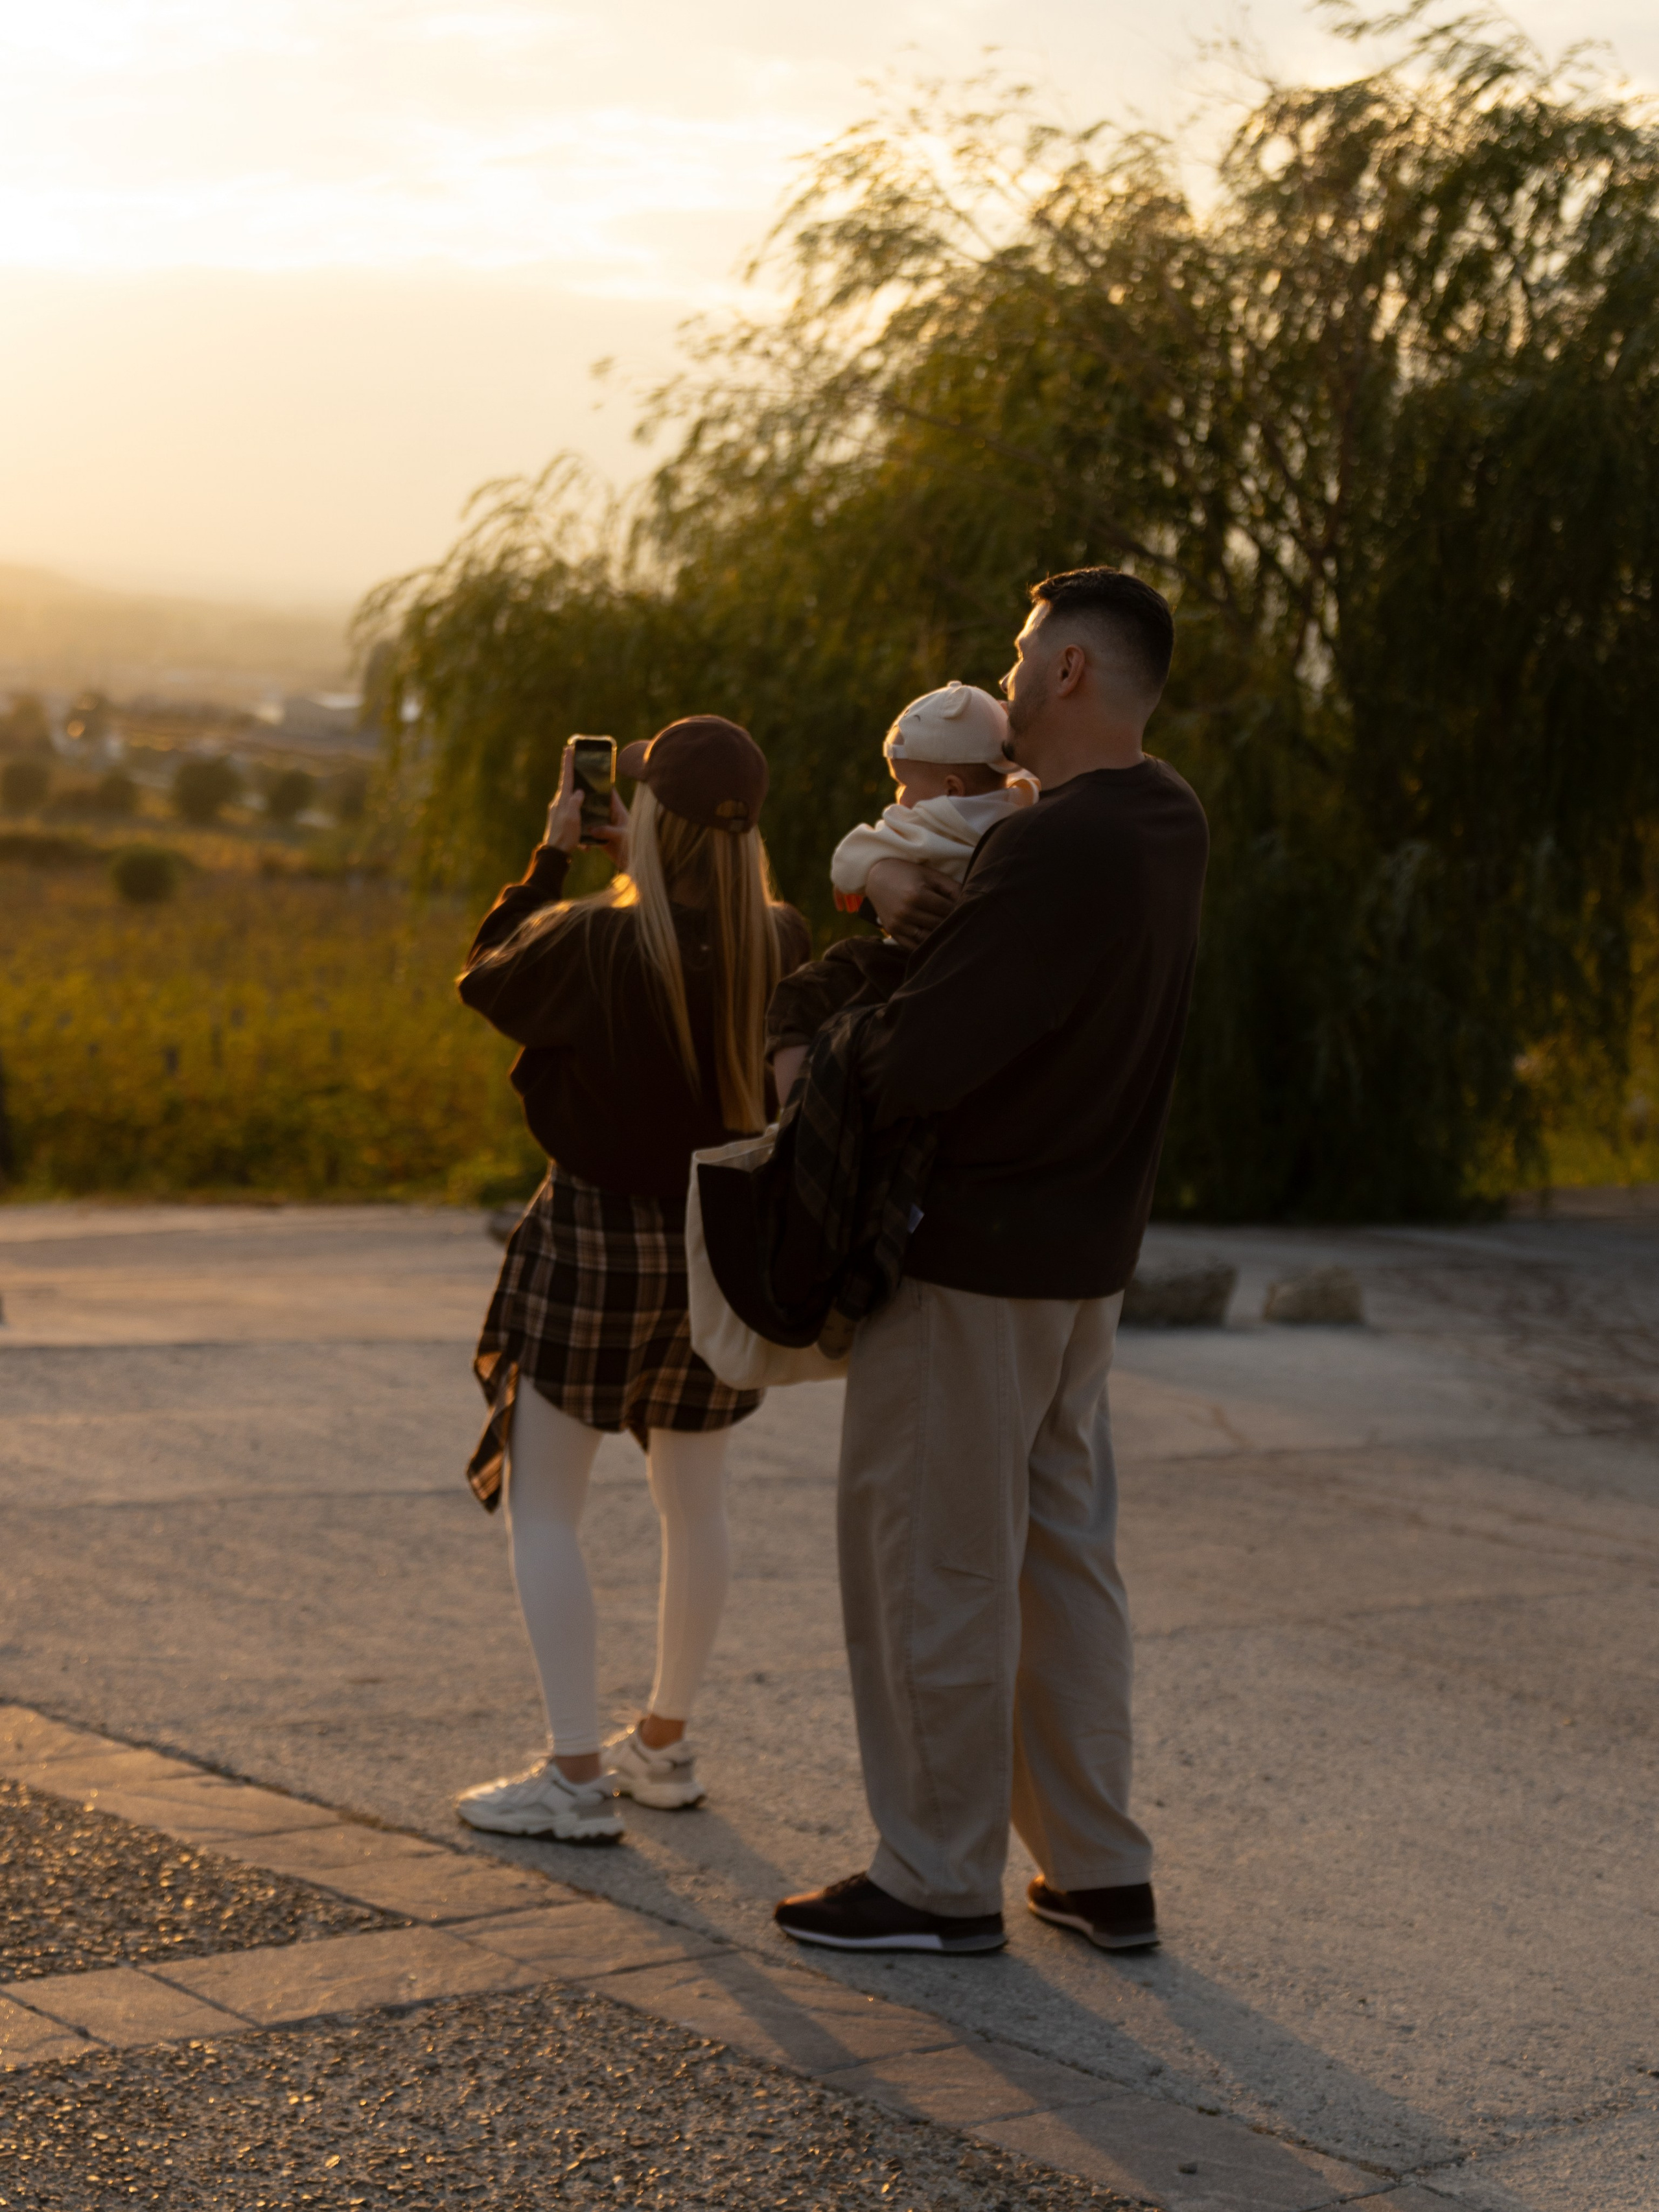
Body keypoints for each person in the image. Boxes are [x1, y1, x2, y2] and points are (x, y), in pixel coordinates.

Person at [772, 566, 1209, 1953]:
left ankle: (933, 1874)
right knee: (1060, 1559)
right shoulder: (1166, 816)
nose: (1010, 677)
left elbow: (923, 1057)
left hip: (969, 1255)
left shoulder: (1050, 846)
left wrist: (824, 1034)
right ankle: (1096, 1863)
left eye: (1026, 654)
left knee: (931, 1561)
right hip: (1085, 1255)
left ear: (1071, 668)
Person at [454, 716, 810, 1844]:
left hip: (599, 1238)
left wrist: (551, 858)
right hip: (719, 1247)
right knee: (695, 1501)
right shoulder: (782, 937)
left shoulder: (591, 939)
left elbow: (486, 980)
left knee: (546, 1505)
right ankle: (663, 1746)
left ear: (645, 817)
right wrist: (645, 874)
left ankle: (573, 1776)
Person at [767, 681, 1035, 1104]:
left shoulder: (927, 825)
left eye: (904, 784)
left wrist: (872, 871)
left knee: (801, 994)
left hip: (904, 961)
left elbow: (845, 864)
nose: (900, 797)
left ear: (952, 789)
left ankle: (792, 1115)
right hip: (971, 976)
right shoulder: (1023, 810)